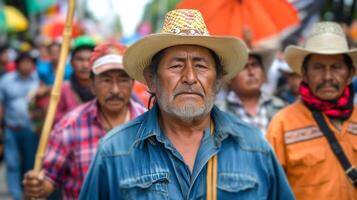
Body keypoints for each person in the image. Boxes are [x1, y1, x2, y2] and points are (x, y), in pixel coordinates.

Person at [79, 9, 294, 199]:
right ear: (152, 80)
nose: (190, 77)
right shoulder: (115, 151)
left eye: (201, 66)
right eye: (176, 65)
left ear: (218, 81)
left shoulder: (254, 146)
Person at [22, 43, 147, 199]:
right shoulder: (69, 125)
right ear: (92, 86)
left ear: (132, 84)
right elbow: (50, 177)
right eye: (106, 81)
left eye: (123, 80)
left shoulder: (149, 124)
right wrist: (37, 186)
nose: (115, 90)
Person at [266, 22, 357, 199]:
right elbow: (270, 189)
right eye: (318, 67)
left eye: (336, 67)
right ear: (305, 74)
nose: (328, 76)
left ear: (350, 74)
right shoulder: (282, 124)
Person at [216, 49, 286, 135]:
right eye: (243, 67)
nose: (251, 72)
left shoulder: (281, 107)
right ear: (230, 78)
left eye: (255, 65)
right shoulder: (217, 113)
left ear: (264, 74)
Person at [0, 52, 39, 200]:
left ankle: (28, 192)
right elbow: (1, 104)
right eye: (23, 62)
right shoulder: (6, 80)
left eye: (29, 63)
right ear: (17, 64)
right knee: (12, 163)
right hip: (11, 128)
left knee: (30, 163)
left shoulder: (37, 80)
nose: (26, 66)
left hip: (30, 129)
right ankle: (16, 195)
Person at [54, 36, 96, 123]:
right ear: (71, 62)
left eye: (89, 60)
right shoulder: (62, 90)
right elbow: (55, 119)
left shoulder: (103, 88)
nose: (85, 65)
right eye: (79, 59)